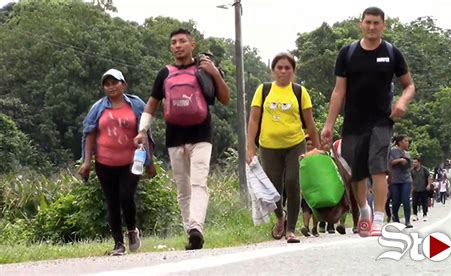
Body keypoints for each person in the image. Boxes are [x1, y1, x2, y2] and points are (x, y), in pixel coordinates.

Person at [320, 7, 415, 237]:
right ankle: (364, 209)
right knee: (356, 172)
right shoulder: (348, 53)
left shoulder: (392, 53)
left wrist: (402, 102)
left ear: (384, 25)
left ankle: (379, 219)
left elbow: (409, 85)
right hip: (353, 122)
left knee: (378, 167)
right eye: (368, 22)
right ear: (360, 24)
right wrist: (328, 125)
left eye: (376, 23)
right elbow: (338, 91)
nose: (372, 27)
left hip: (382, 120)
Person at [134, 28, 230, 250]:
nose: (178, 45)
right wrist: (142, 130)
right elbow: (152, 103)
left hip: (202, 135)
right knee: (182, 188)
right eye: (174, 42)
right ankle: (191, 232)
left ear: (192, 44)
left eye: (182, 41)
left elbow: (225, 98)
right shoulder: (164, 73)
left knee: (198, 182)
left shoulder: (206, 68)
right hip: (174, 137)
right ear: (171, 48)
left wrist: (215, 73)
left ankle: (196, 227)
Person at [79, 68, 155, 256]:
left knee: (126, 196)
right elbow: (89, 134)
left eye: (115, 82)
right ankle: (118, 244)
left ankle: (131, 230)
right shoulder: (98, 108)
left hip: (131, 162)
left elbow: (146, 133)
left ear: (124, 85)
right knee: (112, 201)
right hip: (105, 163)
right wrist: (86, 162)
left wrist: (150, 163)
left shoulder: (136, 104)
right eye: (107, 84)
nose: (111, 87)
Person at [247, 52, 321, 243]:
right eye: (279, 67)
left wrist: (318, 148)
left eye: (287, 68)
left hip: (295, 144)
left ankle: (291, 230)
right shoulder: (263, 90)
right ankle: (280, 216)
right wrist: (249, 148)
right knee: (273, 188)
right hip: (268, 146)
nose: (283, 71)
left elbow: (310, 123)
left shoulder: (299, 91)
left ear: (293, 71)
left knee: (292, 183)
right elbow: (254, 120)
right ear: (273, 71)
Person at [389, 135, 413, 228]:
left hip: (406, 179)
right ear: (400, 142)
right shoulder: (392, 151)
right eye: (405, 141)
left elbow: (410, 165)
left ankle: (407, 221)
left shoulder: (407, 153)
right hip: (395, 180)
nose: (407, 143)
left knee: (406, 199)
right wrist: (400, 160)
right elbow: (390, 162)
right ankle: (395, 217)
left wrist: (406, 162)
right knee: (396, 200)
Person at [411, 157, 431, 222]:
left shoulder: (424, 169)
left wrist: (428, 185)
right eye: (413, 162)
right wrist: (411, 187)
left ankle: (425, 215)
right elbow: (410, 179)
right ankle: (415, 215)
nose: (414, 163)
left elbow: (428, 177)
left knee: (424, 202)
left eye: (415, 162)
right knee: (414, 203)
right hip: (415, 189)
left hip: (423, 189)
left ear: (419, 163)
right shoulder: (412, 171)